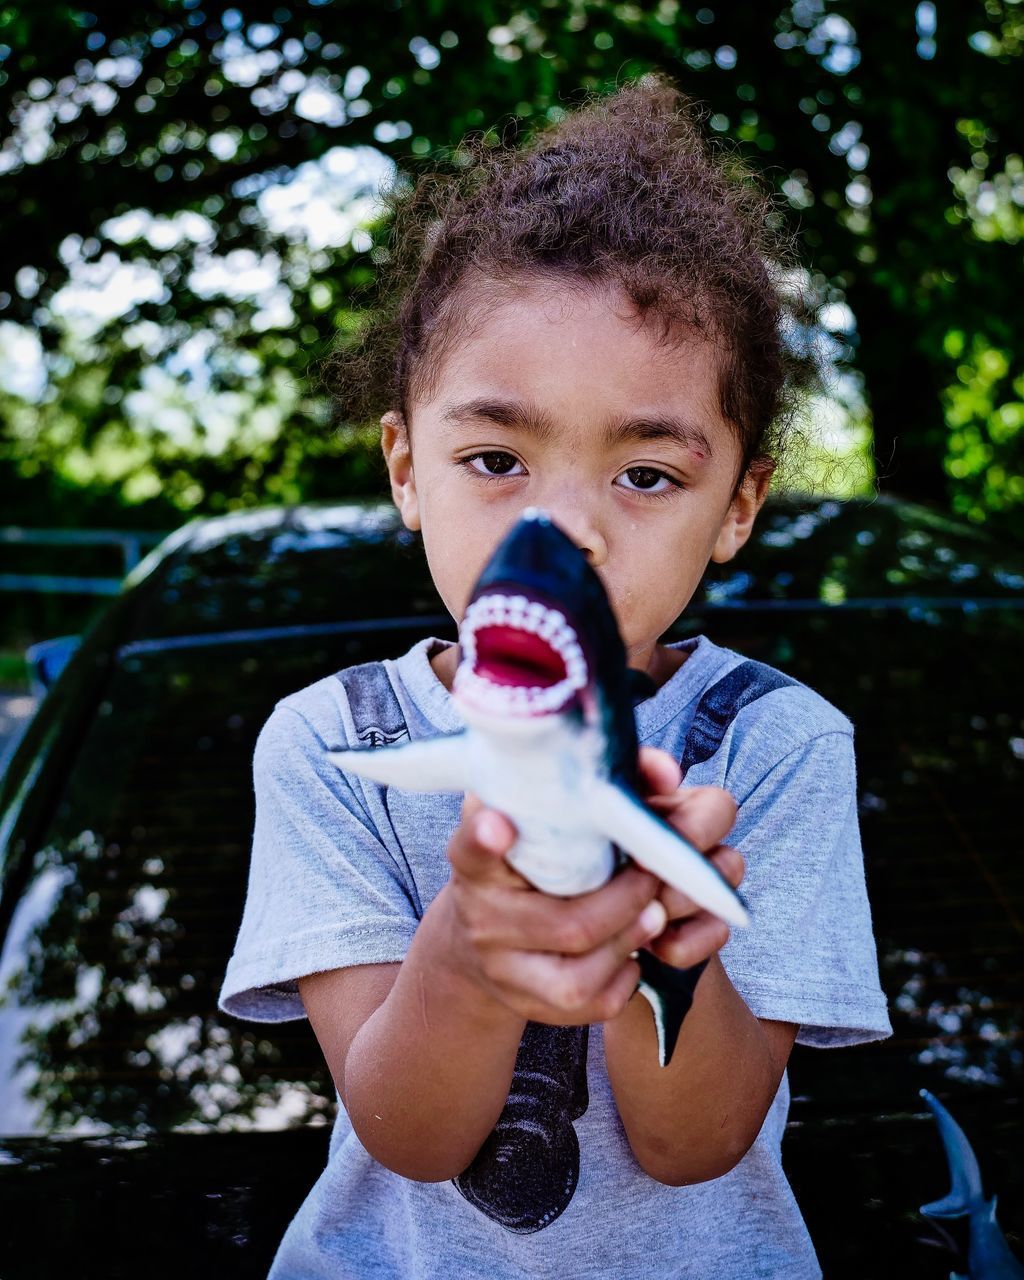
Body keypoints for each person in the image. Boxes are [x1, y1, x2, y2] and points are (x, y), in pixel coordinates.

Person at [219, 74, 891, 1278]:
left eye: (644, 474)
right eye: (494, 457)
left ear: (737, 504)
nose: (566, 525)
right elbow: (414, 1136)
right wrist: (477, 948)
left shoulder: (776, 745)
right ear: (405, 465)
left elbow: (695, 1139)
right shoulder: (332, 743)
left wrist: (651, 909)